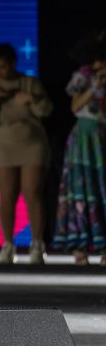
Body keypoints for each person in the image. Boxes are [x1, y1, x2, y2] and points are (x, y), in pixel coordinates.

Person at [0, 43, 52, 264]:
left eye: (2, 67)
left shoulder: (29, 83)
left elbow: (46, 110)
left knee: (32, 192)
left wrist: (31, 99)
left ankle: (37, 244)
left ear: (13, 64)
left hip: (32, 143)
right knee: (7, 194)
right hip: (4, 145)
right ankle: (8, 244)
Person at [52, 32, 106, 264]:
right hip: (84, 136)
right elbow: (75, 107)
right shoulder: (83, 77)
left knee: (101, 188)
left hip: (102, 134)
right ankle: (79, 243)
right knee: (81, 187)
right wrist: (94, 87)